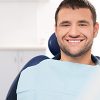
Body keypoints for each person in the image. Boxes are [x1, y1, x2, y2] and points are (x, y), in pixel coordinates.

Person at [17, 0, 100, 100]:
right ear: (56, 30)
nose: (74, 33)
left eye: (82, 24)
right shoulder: (31, 75)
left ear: (95, 30)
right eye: (65, 25)